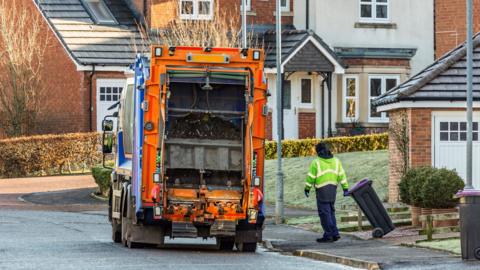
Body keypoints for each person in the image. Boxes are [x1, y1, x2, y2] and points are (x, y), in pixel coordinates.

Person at [304, 143, 349, 243]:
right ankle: (334, 233)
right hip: (333, 189)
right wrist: (345, 188)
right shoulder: (336, 161)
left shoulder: (316, 162)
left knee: (324, 213)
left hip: (321, 190)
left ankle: (329, 234)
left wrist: (307, 188)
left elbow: (311, 177)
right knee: (331, 212)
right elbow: (342, 175)